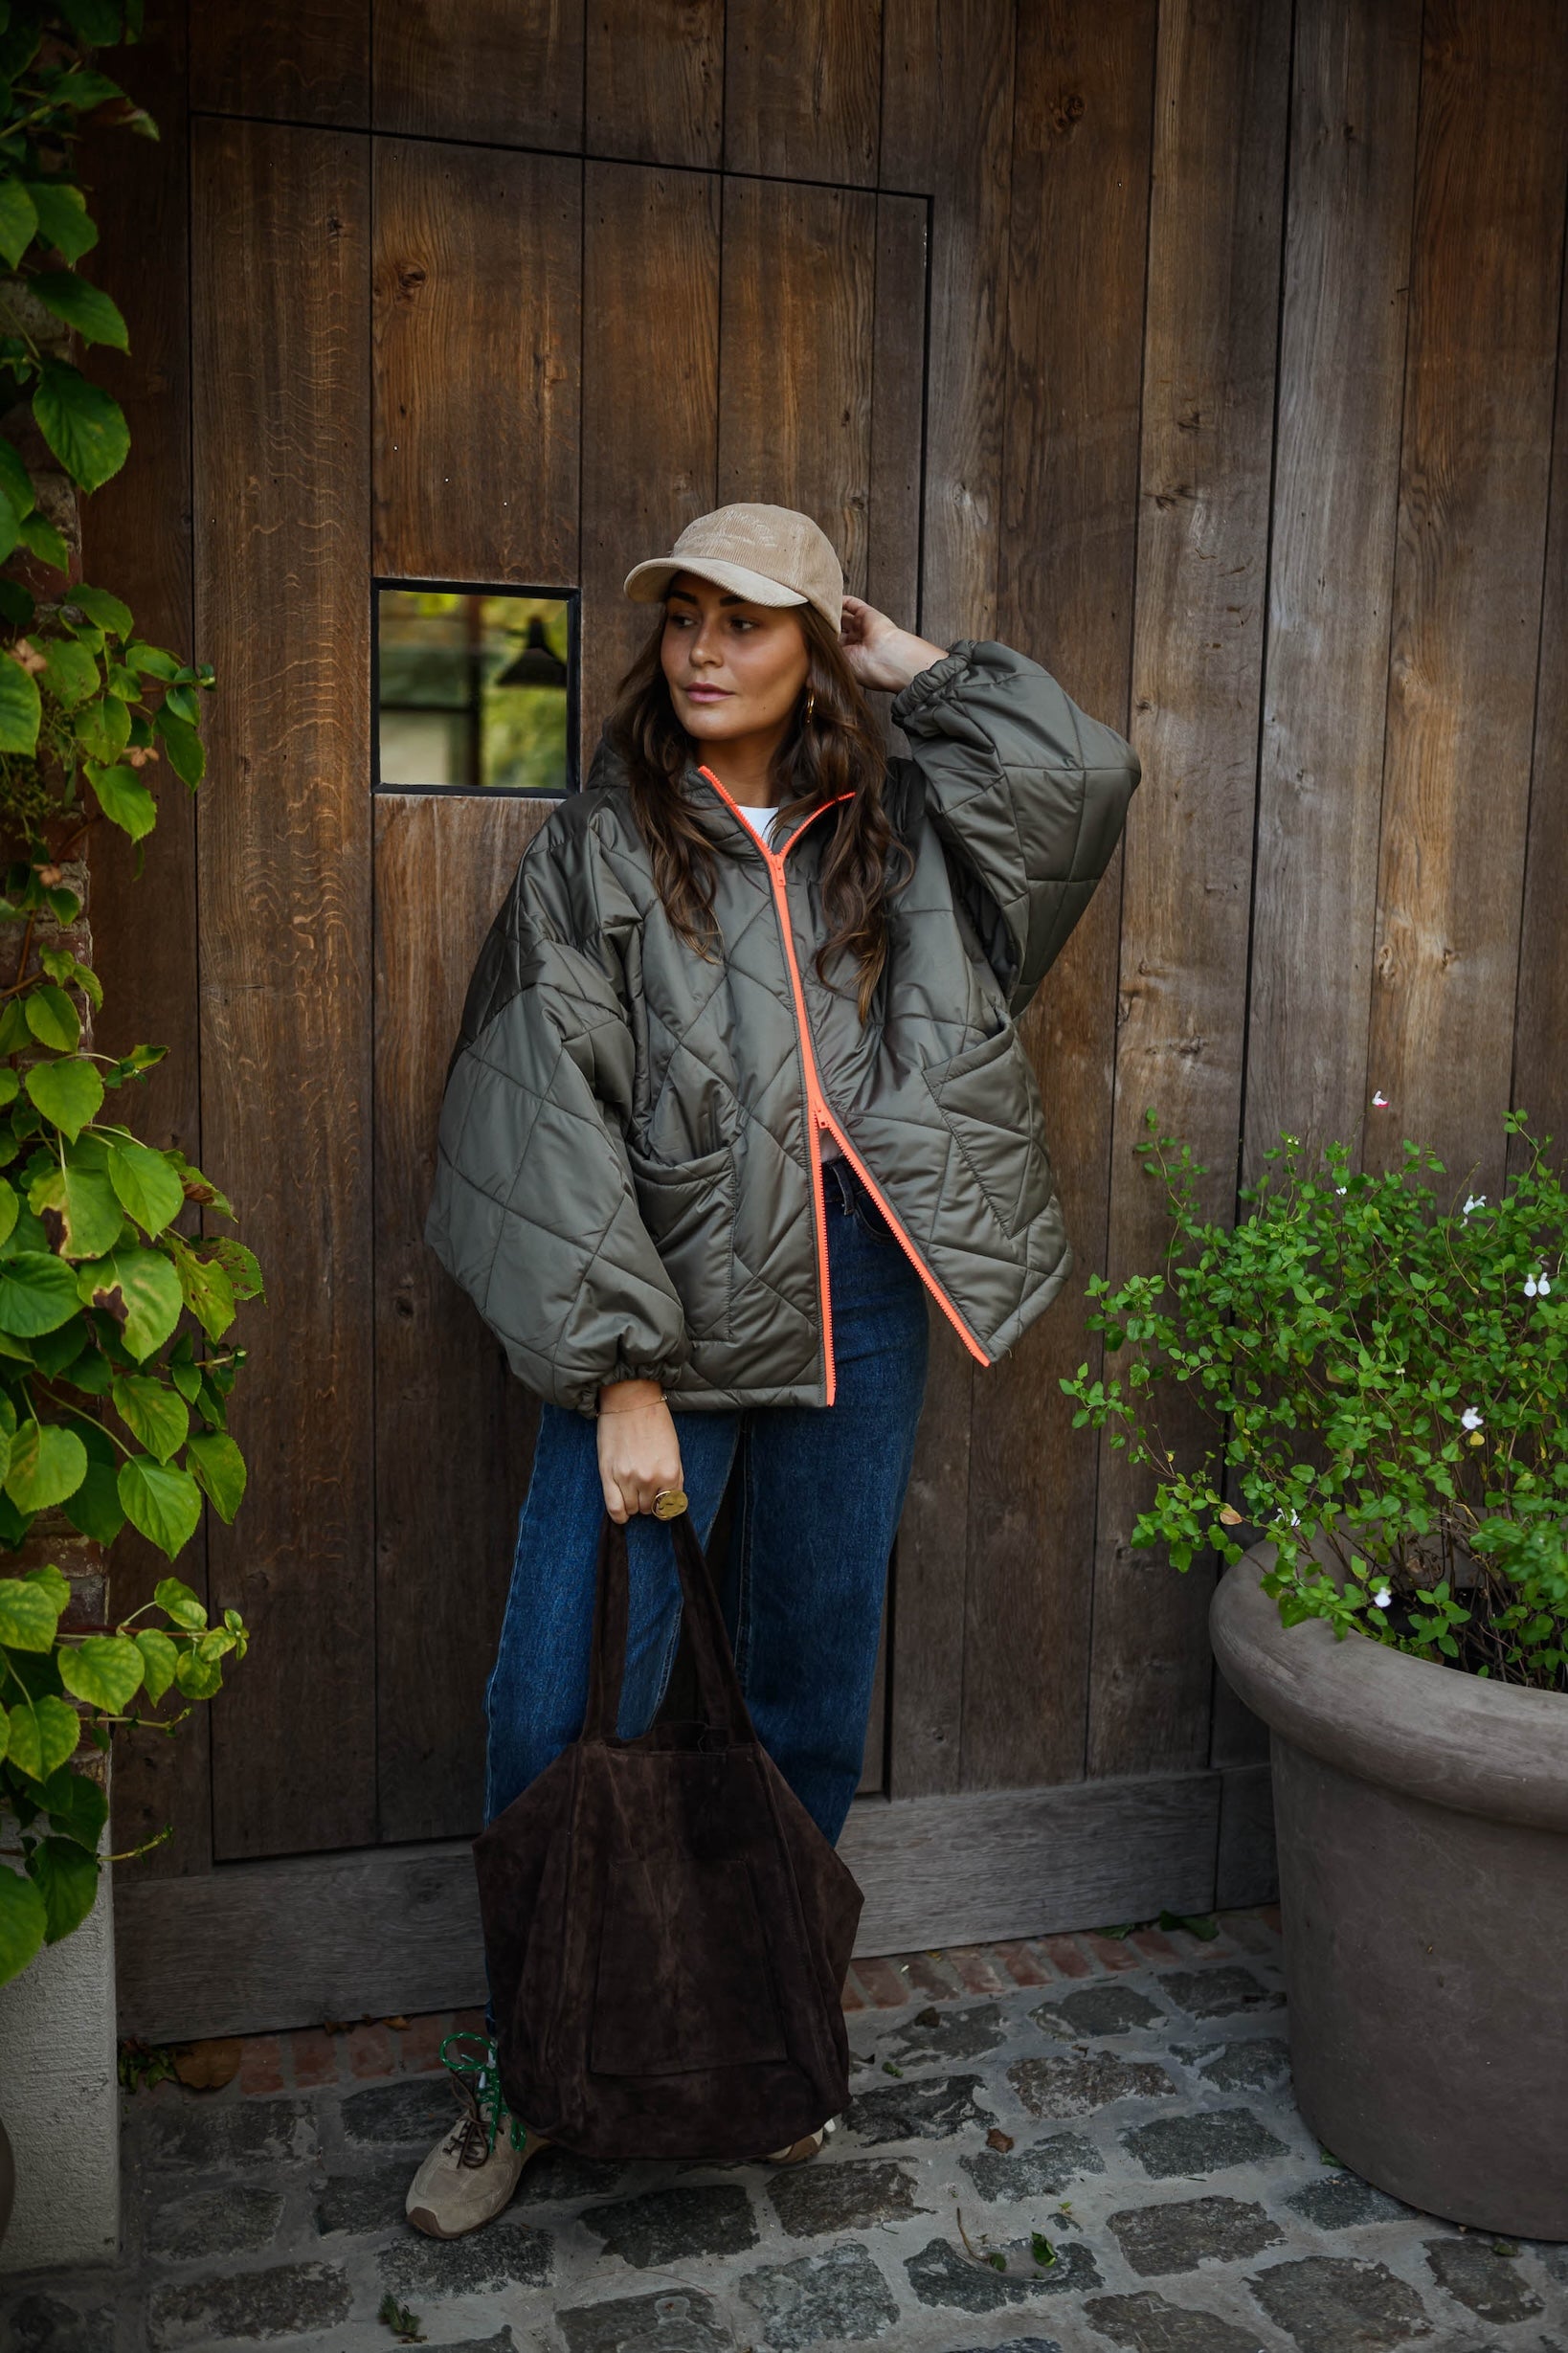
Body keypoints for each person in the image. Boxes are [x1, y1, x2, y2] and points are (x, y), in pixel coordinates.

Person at [407, 503, 1141, 2236]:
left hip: (865, 1299)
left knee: (808, 1683)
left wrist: (910, 664)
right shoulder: (596, 851)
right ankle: (523, 2071)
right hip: (666, 1321)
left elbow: (1080, 780)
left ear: (813, 645)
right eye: (684, 616)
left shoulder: (899, 837)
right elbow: (533, 1114)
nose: (704, 647)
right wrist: (619, 1375)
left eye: (749, 618)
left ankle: (765, 2022)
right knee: (570, 1689)